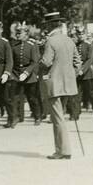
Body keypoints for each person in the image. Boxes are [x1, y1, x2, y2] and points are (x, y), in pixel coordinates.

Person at [39, 12, 79, 159]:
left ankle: (63, 151)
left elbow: (46, 62)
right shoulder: (69, 40)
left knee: (57, 119)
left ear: (50, 25)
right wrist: (70, 75)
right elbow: (78, 62)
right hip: (68, 85)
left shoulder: (50, 41)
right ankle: (63, 150)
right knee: (60, 117)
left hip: (54, 85)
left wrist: (39, 63)